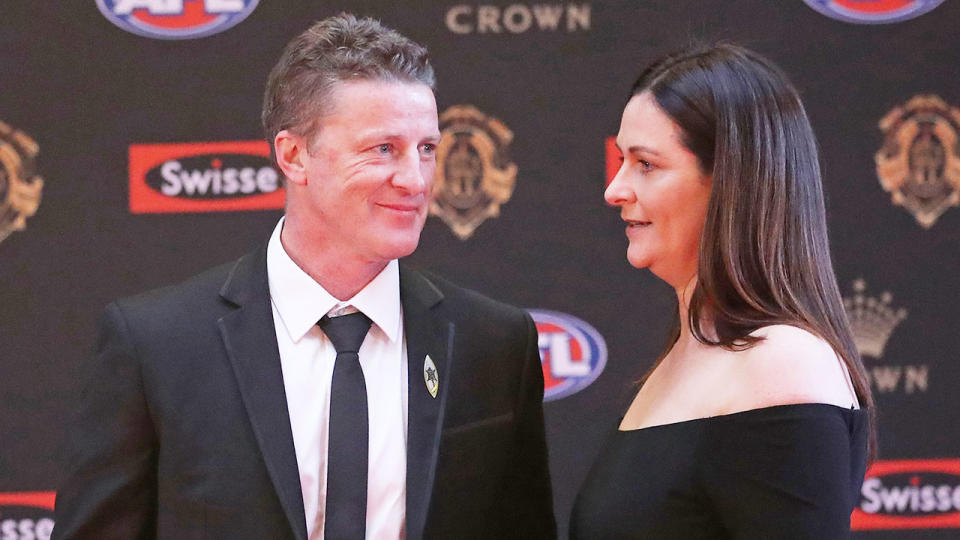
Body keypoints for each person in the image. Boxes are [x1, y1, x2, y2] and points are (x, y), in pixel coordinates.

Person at [53, 14, 555, 540]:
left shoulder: (492, 343)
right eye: (382, 148)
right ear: (294, 156)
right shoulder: (156, 345)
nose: (415, 179)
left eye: (425, 148)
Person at [570, 43, 872, 538]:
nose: (615, 189)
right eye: (622, 160)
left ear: (729, 181)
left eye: (646, 164)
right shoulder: (688, 354)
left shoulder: (781, 361)